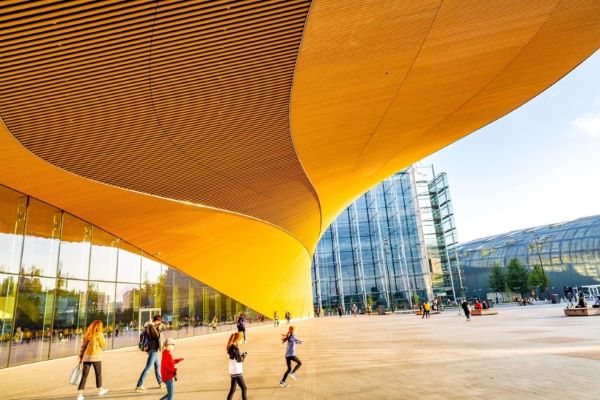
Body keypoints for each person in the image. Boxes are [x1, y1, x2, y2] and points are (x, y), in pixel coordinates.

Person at [77, 320, 109, 400]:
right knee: (98, 374)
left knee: (84, 376)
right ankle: (100, 390)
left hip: (86, 358)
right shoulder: (99, 334)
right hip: (96, 357)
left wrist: (81, 357)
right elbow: (104, 344)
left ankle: (80, 395)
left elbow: (83, 347)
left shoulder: (87, 334)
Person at [135, 315, 164, 392]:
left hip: (153, 349)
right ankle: (139, 385)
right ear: (157, 321)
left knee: (157, 366)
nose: (160, 323)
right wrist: (159, 329)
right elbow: (157, 336)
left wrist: (157, 328)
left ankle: (160, 382)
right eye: (159, 322)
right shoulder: (151, 327)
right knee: (148, 367)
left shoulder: (150, 326)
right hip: (152, 349)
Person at [226, 332, 248, 400]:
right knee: (244, 388)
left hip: (233, 371)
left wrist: (241, 355)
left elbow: (236, 357)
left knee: (233, 389)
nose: (241, 341)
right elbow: (239, 360)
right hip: (236, 371)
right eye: (241, 339)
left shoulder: (231, 346)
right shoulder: (235, 348)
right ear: (238, 339)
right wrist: (244, 356)